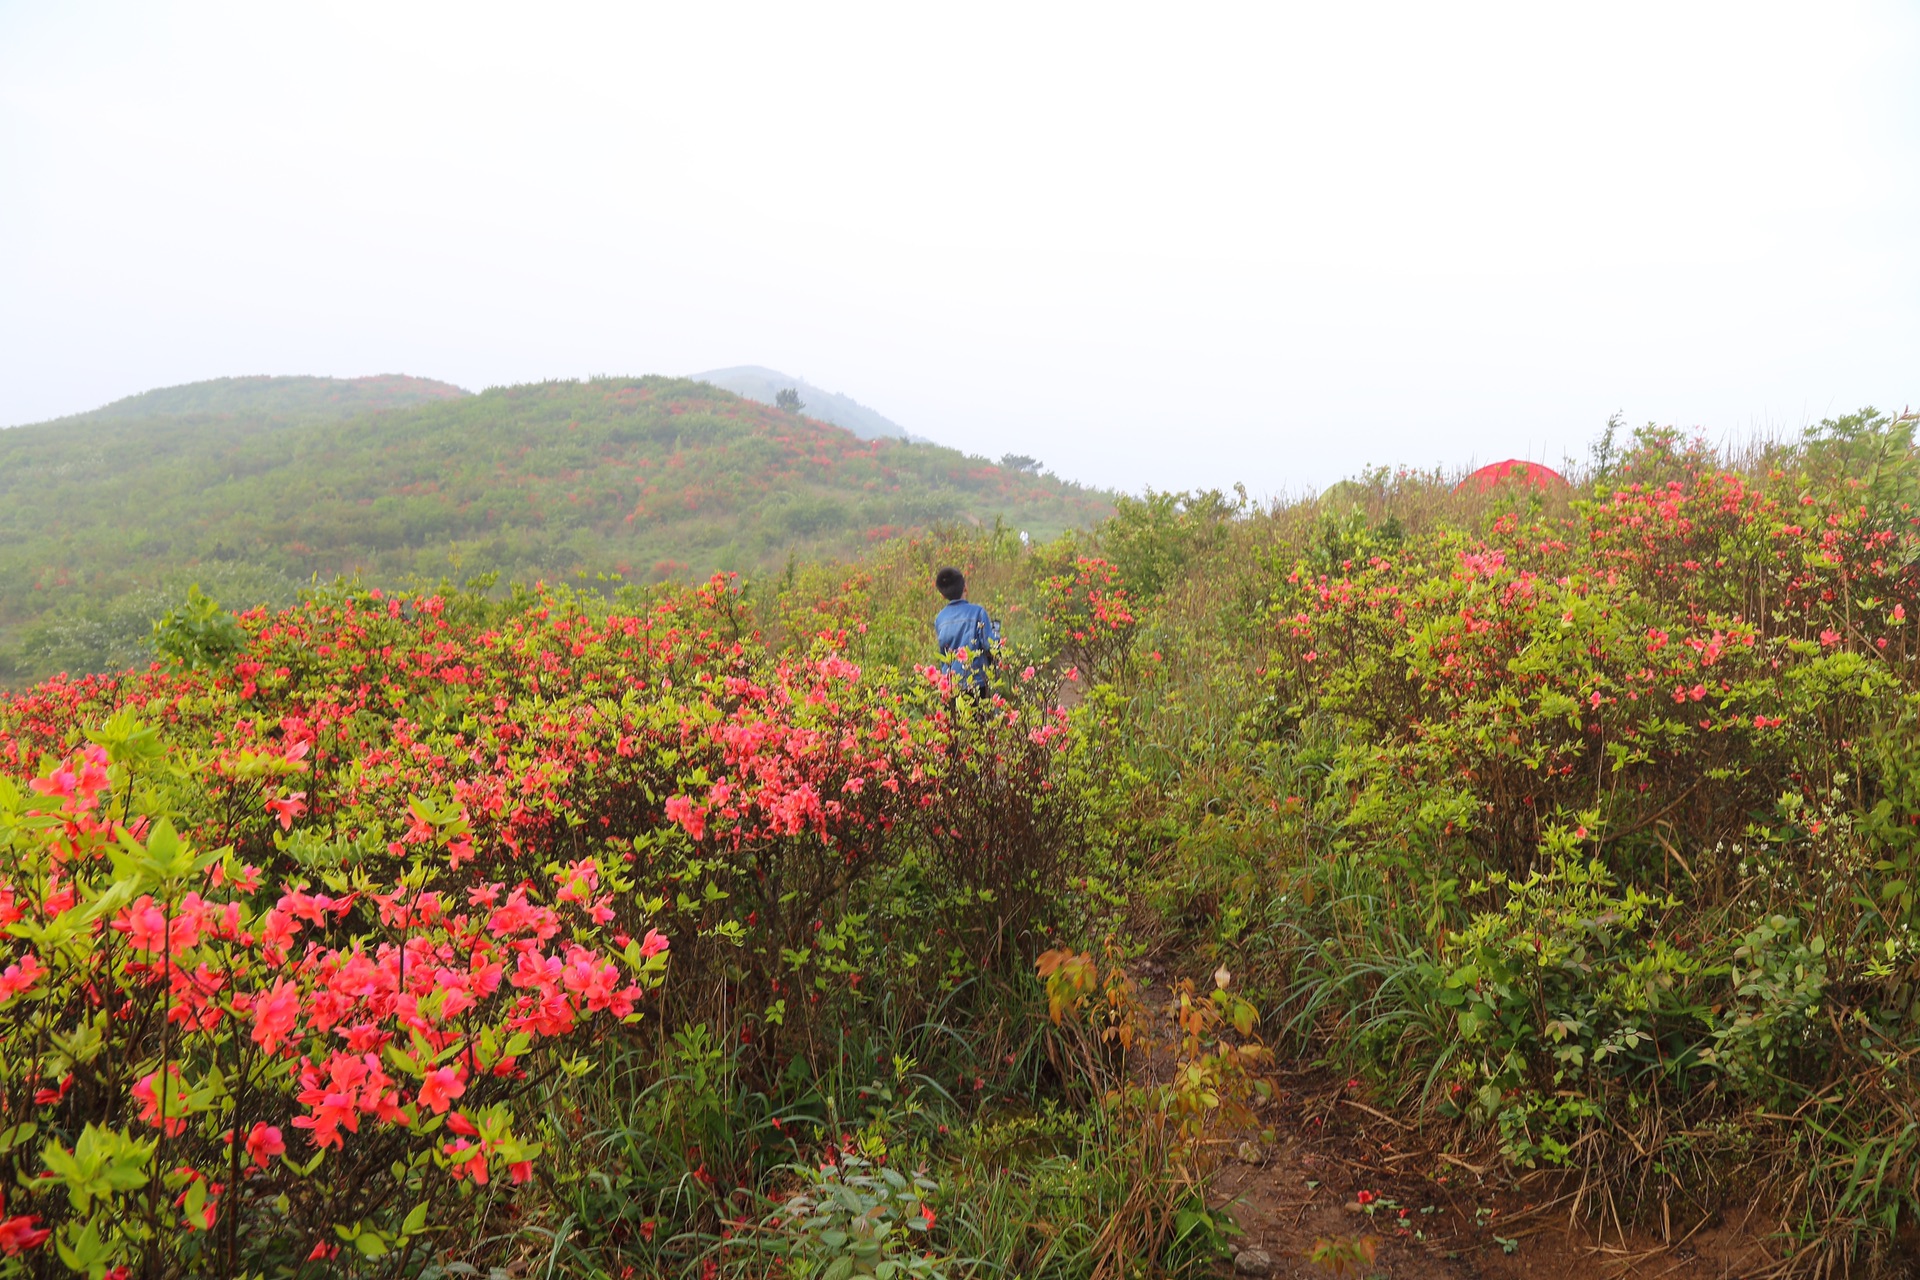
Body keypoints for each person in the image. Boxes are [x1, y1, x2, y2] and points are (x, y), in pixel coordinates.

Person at [933, 566, 999, 699]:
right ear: (965, 587)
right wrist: (996, 633)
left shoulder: (940, 619)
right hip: (977, 683)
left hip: (951, 685)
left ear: (942, 594)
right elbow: (991, 646)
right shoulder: (978, 612)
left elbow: (943, 656)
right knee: (980, 718)